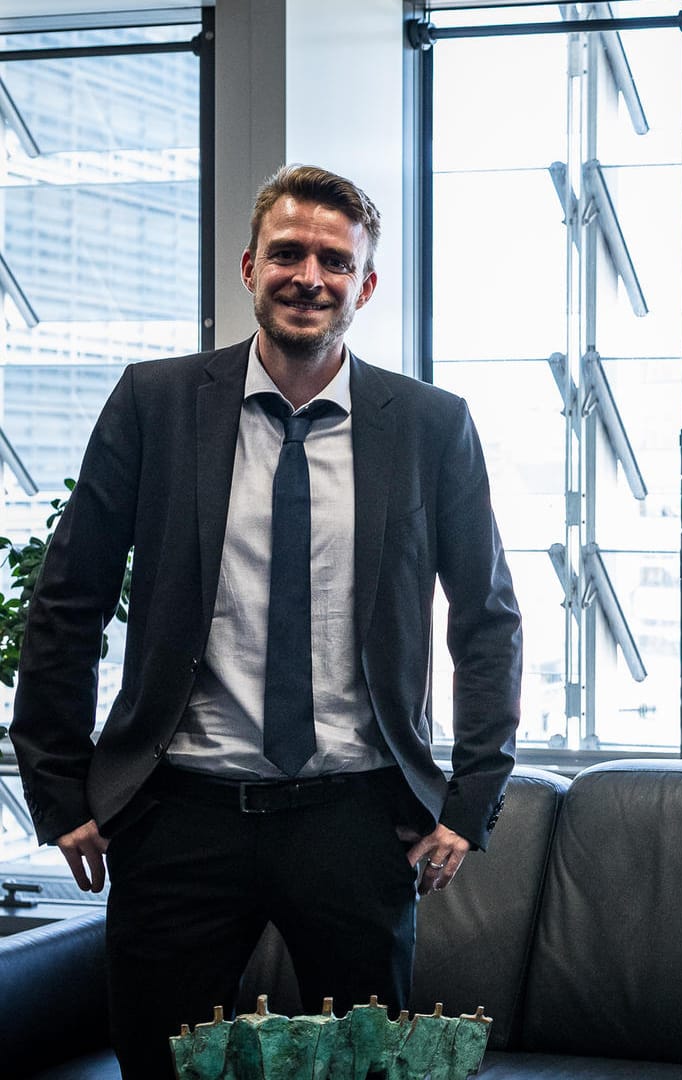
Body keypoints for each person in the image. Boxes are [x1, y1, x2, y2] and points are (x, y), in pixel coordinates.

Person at [9, 164, 523, 1079]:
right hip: (179, 817)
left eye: (334, 259)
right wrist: (59, 787)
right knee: (158, 1067)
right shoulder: (154, 404)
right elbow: (70, 598)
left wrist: (469, 800)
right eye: (287, 253)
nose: (308, 276)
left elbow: (486, 620)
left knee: (366, 1071)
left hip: (358, 821)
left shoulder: (432, 427)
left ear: (364, 285)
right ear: (250, 268)